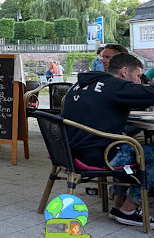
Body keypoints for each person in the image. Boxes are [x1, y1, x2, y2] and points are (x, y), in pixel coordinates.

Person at [62, 52, 154, 227]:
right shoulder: (115, 86)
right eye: (138, 76)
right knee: (143, 151)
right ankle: (129, 209)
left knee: (123, 143)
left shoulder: (80, 85)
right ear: (124, 71)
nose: (138, 82)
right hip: (98, 155)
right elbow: (149, 94)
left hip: (69, 151)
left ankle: (119, 204)